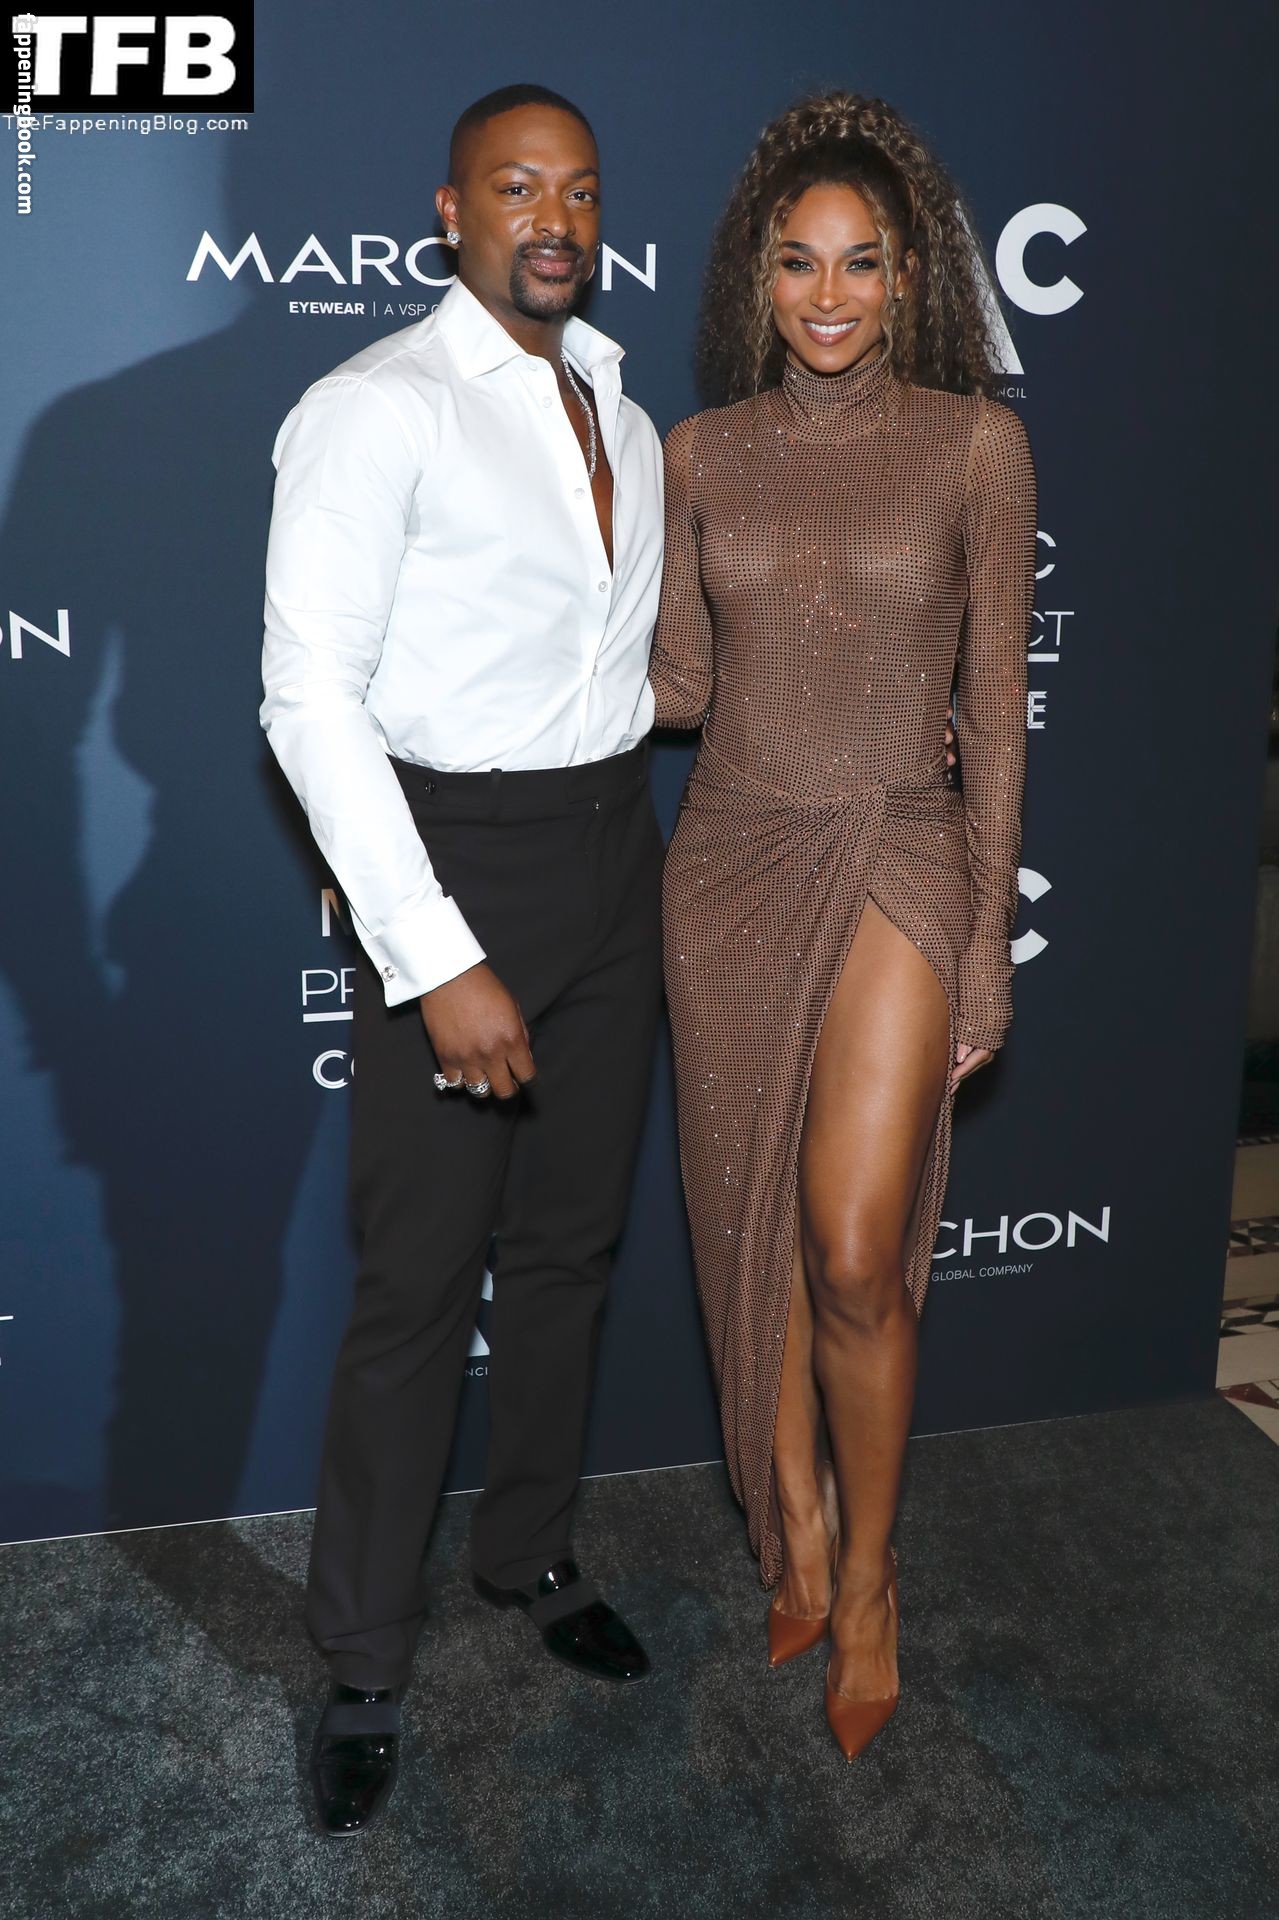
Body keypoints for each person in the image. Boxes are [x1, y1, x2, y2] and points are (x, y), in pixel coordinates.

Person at [261, 83, 665, 1834]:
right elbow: (307, 701)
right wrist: (434, 956)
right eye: (517, 186)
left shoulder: (621, 404)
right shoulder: (375, 409)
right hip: (458, 865)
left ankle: (532, 1552)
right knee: (420, 1286)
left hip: (618, 853)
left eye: (579, 190)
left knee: (568, 1251)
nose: (553, 219)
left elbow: (625, 663)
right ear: (450, 212)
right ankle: (362, 1657)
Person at [651, 91, 1036, 1760]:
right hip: (727, 868)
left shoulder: (974, 446)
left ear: (907, 280)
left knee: (856, 1248)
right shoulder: (698, 455)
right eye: (799, 263)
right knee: (758, 1224)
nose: (828, 294)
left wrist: (986, 942)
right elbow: (677, 686)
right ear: (761, 278)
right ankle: (793, 1521)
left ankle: (870, 1579)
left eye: (861, 263)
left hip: (898, 851)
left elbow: (998, 713)